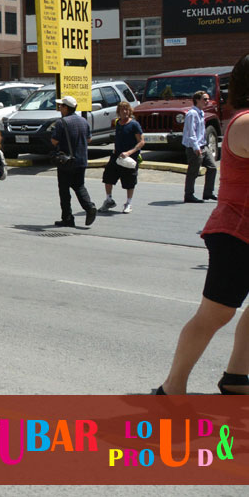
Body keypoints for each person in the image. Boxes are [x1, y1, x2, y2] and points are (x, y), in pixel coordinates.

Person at [155, 53, 249, 396]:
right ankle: (172, 386)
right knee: (216, 314)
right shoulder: (246, 122)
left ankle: (237, 375)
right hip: (236, 233)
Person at [51, 95, 97, 227]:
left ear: (66, 108)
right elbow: (89, 140)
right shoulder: (83, 121)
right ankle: (89, 207)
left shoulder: (61, 122)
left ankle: (67, 218)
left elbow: (54, 141)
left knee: (64, 190)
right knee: (79, 185)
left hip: (66, 161)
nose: (59, 108)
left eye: (61, 106)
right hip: (81, 160)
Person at [102, 101, 144, 214]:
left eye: (126, 109)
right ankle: (109, 200)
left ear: (130, 111)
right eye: (122, 109)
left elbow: (141, 142)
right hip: (116, 156)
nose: (124, 112)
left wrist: (129, 152)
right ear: (118, 112)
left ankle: (128, 203)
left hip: (129, 158)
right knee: (108, 177)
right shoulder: (118, 123)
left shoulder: (134, 124)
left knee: (129, 181)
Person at [183, 90, 218, 203]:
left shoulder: (201, 112)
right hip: (194, 147)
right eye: (205, 99)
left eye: (208, 99)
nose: (207, 101)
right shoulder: (192, 114)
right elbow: (191, 132)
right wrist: (196, 147)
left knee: (212, 167)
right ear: (197, 100)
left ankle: (208, 192)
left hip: (203, 145)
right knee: (193, 171)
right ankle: (189, 195)